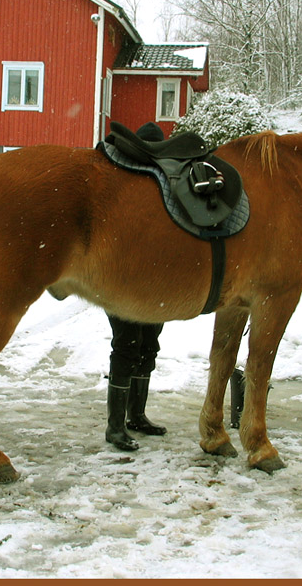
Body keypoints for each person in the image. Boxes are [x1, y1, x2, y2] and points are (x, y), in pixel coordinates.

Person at [104, 121, 169, 451]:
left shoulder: (164, 182)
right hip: (122, 280)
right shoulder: (119, 181)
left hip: (154, 282)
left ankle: (136, 415)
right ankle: (115, 427)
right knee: (127, 344)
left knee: (148, 345)